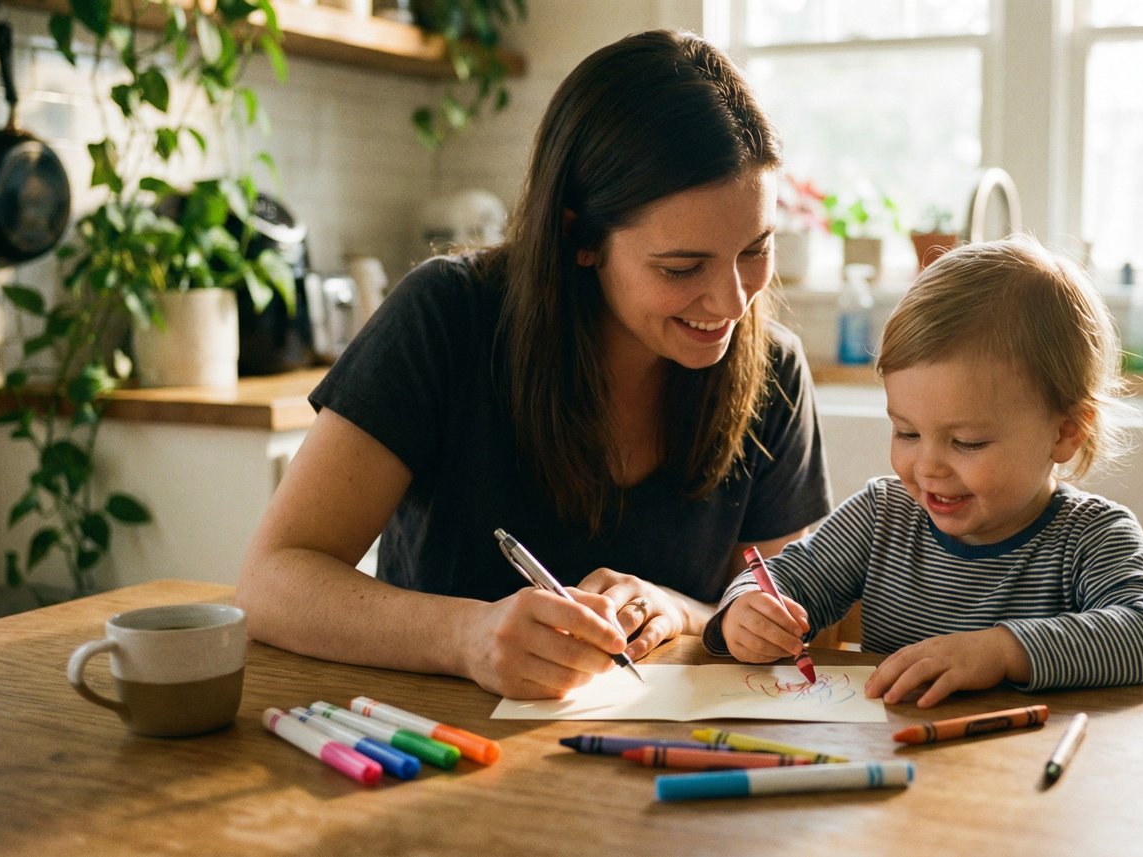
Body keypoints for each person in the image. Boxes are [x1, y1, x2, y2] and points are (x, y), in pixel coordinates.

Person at [235, 30, 831, 700]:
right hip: (428, 754)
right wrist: (467, 636)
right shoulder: (447, 316)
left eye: (755, 248)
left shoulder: (773, 369)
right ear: (580, 237)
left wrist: (684, 611)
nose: (732, 301)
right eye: (682, 266)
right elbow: (271, 582)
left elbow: (789, 613)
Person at [704, 237, 1143, 707]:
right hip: (897, 765)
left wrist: (1002, 651)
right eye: (906, 433)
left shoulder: (1091, 536)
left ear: (1064, 433)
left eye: (967, 442)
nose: (927, 466)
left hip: (1022, 775)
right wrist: (746, 612)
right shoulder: (881, 516)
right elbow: (783, 578)